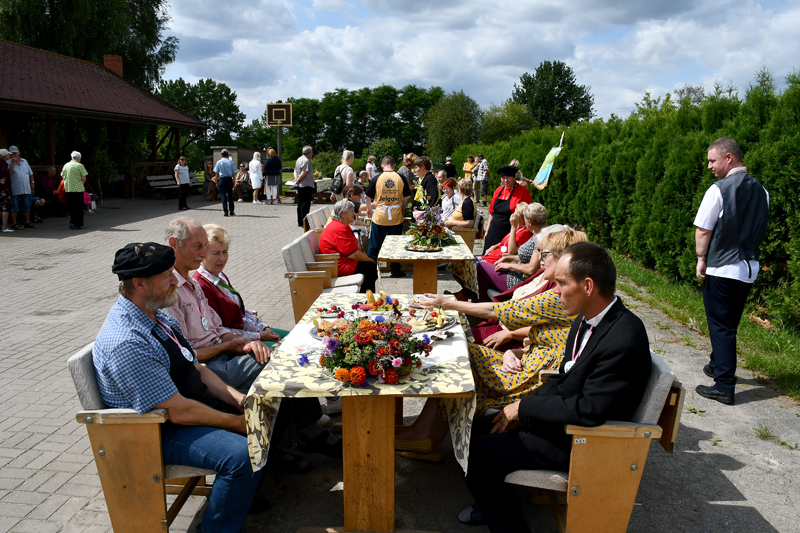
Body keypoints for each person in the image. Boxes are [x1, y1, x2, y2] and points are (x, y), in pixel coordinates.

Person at [458, 241, 652, 532]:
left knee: (478, 454)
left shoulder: (624, 340)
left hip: (583, 442)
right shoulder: (586, 319)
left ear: (588, 286)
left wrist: (524, 409)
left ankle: (506, 522)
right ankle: (492, 502)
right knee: (473, 430)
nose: (555, 290)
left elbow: (590, 410)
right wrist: (521, 412)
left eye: (561, 283)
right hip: (560, 423)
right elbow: (563, 379)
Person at [93, 242, 265, 533]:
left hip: (181, 410)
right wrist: (237, 422)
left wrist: (237, 398)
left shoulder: (155, 314)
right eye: (166, 276)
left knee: (265, 405)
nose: (175, 281)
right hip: (151, 432)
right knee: (243, 452)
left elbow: (195, 367)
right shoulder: (127, 342)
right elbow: (177, 412)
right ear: (139, 284)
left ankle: (236, 498)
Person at [396, 229, 589, 463]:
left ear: (562, 259)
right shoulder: (561, 292)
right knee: (460, 351)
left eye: (544, 253)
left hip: (529, 380)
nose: (538, 257)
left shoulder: (560, 297)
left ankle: (424, 436)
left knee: (458, 357)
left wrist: (447, 303)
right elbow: (550, 340)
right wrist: (512, 351)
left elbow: (501, 312)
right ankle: (425, 435)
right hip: (527, 364)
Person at [694, 137, 769, 405]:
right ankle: (717, 364)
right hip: (749, 267)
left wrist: (701, 258)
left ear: (729, 157)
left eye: (712, 160)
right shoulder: (762, 190)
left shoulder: (719, 189)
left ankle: (724, 385)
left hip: (723, 266)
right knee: (729, 322)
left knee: (721, 325)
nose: (709, 166)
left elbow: (703, 230)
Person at [195, 224, 288, 343]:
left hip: (252, 331)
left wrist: (264, 327)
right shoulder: (201, 285)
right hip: (237, 343)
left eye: (225, 252)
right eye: (216, 253)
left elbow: (242, 310)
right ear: (202, 254)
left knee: (294, 337)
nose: (222, 258)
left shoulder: (220, 276)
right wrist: (260, 336)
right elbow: (219, 331)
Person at [365, 156, 413, 278]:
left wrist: (370, 210)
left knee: (375, 245)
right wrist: (402, 208)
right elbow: (407, 196)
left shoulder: (377, 178)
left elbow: (367, 196)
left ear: (382, 166)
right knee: (395, 244)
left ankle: (371, 270)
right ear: (394, 165)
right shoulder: (400, 177)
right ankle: (395, 270)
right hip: (395, 215)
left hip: (381, 215)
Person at [319, 199, 379, 293]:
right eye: (351, 211)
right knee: (371, 266)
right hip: (337, 265)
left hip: (342, 260)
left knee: (372, 260)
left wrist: (368, 258)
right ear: (342, 213)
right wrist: (369, 260)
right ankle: (366, 298)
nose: (354, 213)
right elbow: (354, 255)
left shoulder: (342, 225)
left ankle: (367, 295)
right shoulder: (339, 228)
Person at [494, 202, 548, 289]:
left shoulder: (540, 239)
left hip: (521, 280)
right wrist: (508, 258)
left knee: (480, 267)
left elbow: (531, 269)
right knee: (482, 280)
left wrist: (510, 265)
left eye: (525, 219)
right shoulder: (537, 234)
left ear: (529, 222)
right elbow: (527, 257)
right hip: (517, 273)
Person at [482, 164, 532, 253]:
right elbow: (491, 213)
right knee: (488, 254)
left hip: (510, 231)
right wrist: (487, 230)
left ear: (513, 177)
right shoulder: (498, 190)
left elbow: (529, 215)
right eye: (503, 178)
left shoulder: (523, 192)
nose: (505, 180)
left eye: (508, 177)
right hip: (494, 230)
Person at [7, 145, 36, 230]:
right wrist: (12, 163)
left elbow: (30, 173)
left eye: (15, 153)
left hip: (25, 187)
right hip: (15, 188)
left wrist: (32, 183)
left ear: (18, 153)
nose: (14, 155)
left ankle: (27, 222)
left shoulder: (24, 161)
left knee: (26, 205)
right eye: (12, 154)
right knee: (15, 206)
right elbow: (9, 174)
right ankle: (14, 223)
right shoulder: (8, 162)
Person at [61, 151, 88, 230]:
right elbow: (84, 178)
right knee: (79, 207)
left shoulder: (66, 165)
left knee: (72, 207)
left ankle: (72, 222)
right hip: (78, 189)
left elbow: (63, 176)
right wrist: (81, 183)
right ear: (79, 159)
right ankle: (78, 223)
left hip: (69, 189)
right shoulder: (80, 166)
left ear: (71, 158)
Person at [294, 146, 315, 227]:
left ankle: (300, 221)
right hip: (306, 185)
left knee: (300, 203)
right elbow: (304, 172)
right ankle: (304, 222)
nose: (312, 154)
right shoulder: (306, 160)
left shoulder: (299, 159)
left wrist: (296, 178)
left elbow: (295, 170)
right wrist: (298, 180)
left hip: (301, 185)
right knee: (305, 204)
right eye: (311, 152)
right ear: (308, 153)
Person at [214, 149, 237, 216]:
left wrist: (216, 182)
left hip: (222, 179)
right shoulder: (231, 162)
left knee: (223, 196)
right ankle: (231, 211)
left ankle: (225, 212)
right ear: (227, 154)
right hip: (229, 179)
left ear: (221, 154)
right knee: (230, 195)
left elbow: (216, 173)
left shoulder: (218, 162)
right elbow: (234, 173)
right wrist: (234, 182)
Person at [0, 149, 12, 232]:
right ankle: (4, 227)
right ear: (5, 156)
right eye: (8, 154)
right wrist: (3, 178)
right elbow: (4, 171)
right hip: (4, 188)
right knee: (5, 207)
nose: (9, 156)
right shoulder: (4, 163)